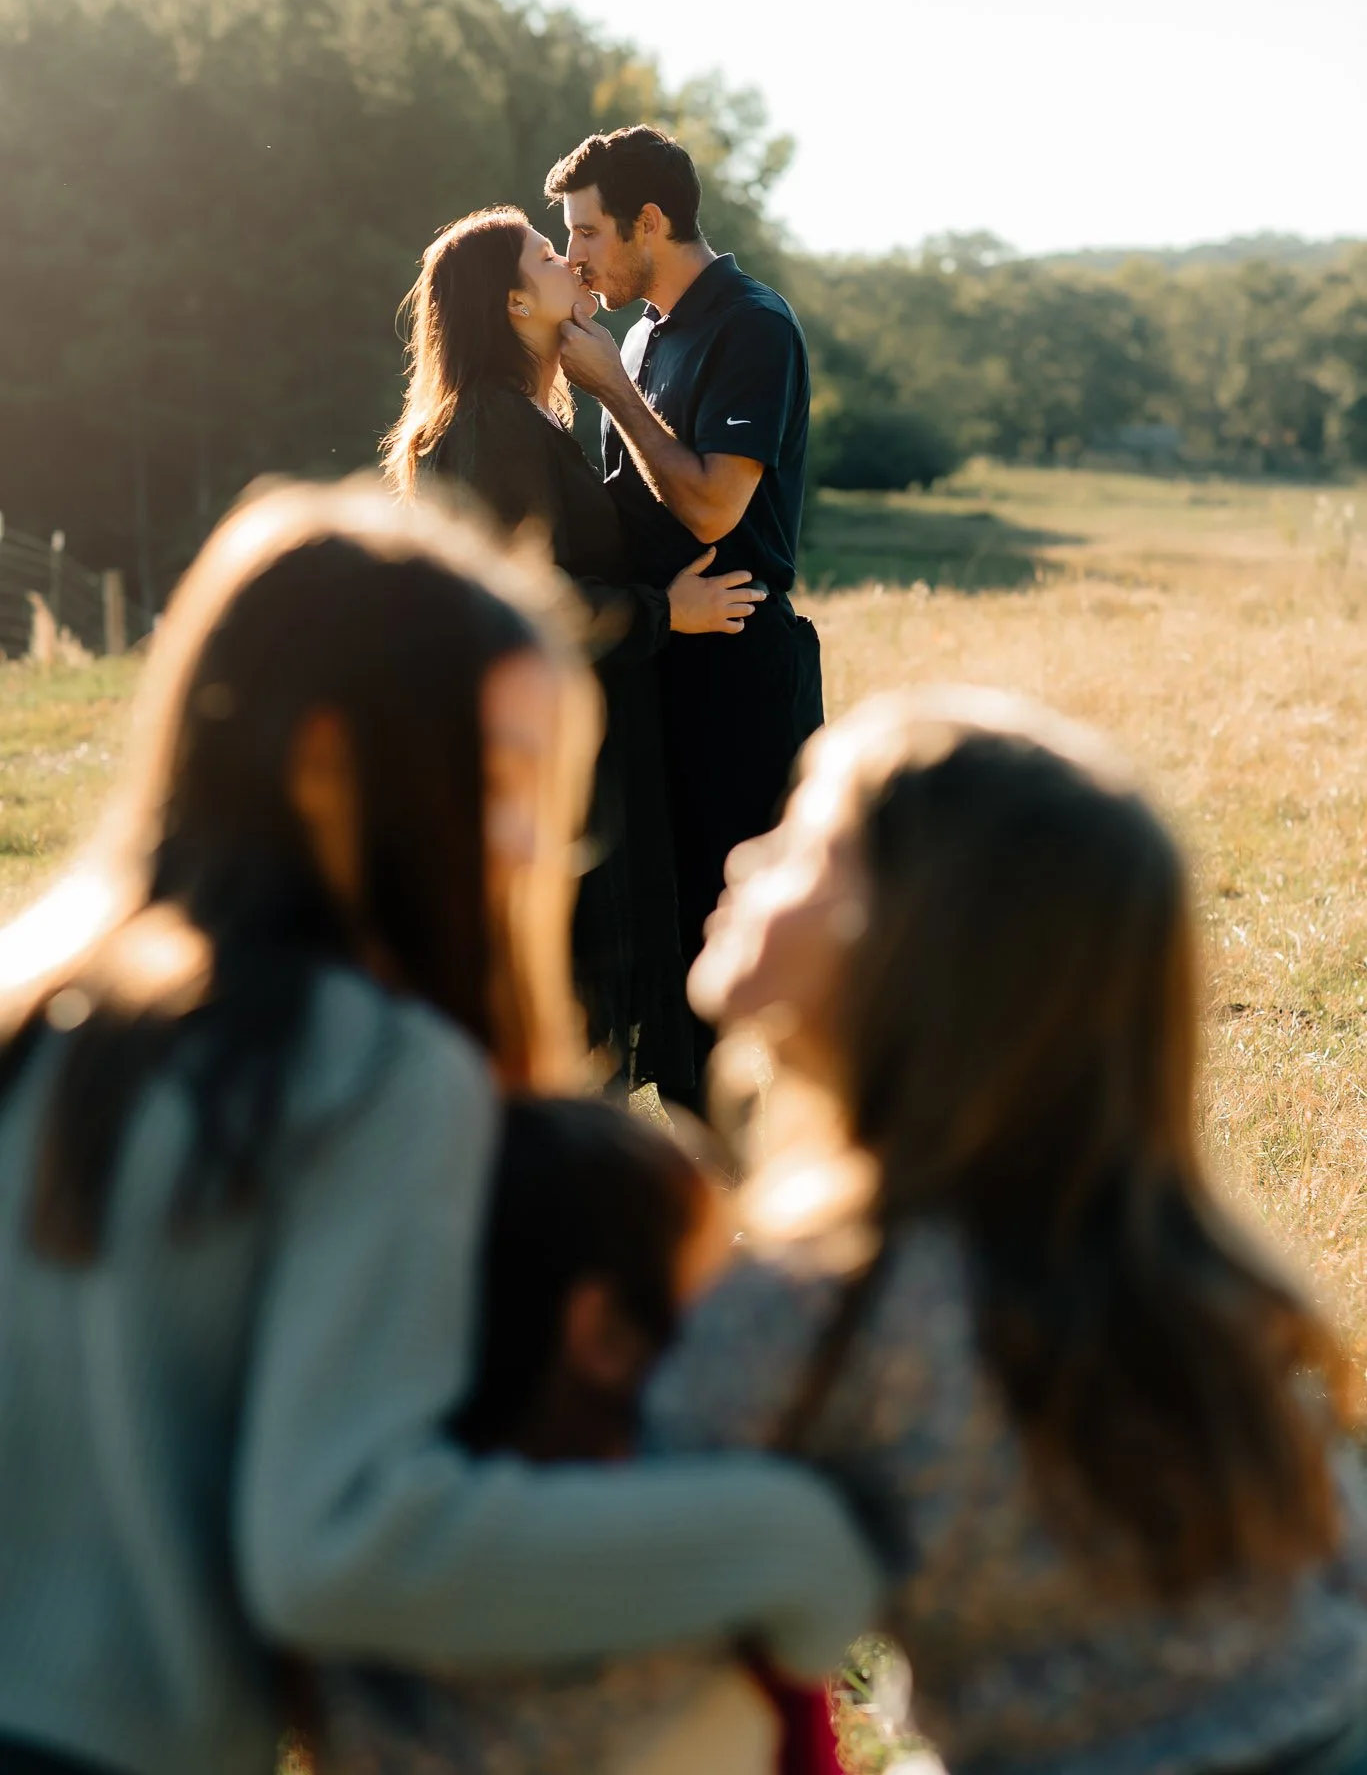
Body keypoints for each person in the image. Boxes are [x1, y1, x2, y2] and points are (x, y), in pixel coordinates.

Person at [0, 479, 878, 1775]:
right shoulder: (369, 1066)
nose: (532, 843)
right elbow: (346, 1547)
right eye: (499, 778)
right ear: (319, 764)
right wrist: (785, 1540)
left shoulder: (40, 1003)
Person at [650, 685, 1367, 1775]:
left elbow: (608, 1522)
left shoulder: (832, 1305)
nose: (747, 856)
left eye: (809, 839)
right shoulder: (1188, 1275)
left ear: (917, 953)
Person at [321, 1095, 843, 1775]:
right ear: (604, 1334)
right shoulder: (728, 1571)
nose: (741, 1333)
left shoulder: (366, 1607)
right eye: (718, 1296)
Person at [382, 206, 763, 1106]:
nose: (573, 264)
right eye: (551, 255)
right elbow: (516, 604)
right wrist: (665, 613)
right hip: (545, 765)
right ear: (516, 301)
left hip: (573, 748)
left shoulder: (518, 419)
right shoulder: (489, 427)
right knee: (571, 1006)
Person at [546, 127, 822, 1084]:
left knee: (740, 929)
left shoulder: (752, 324)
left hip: (740, 669)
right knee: (666, 931)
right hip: (667, 657)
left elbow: (710, 501)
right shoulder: (646, 329)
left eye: (585, 233)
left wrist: (613, 391)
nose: (575, 256)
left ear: (649, 221)